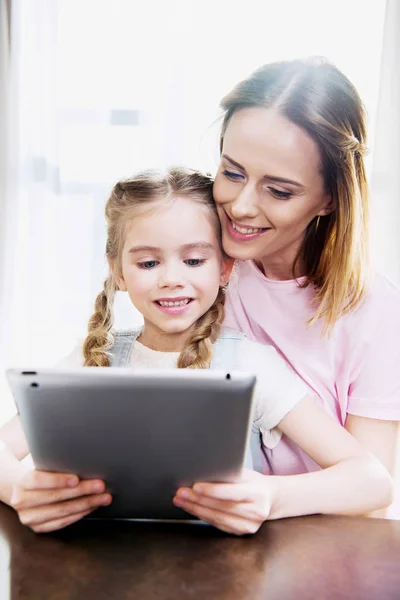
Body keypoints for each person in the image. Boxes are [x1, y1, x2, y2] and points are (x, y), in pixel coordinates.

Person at [0, 167, 393, 534]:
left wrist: (272, 496)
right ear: (119, 271)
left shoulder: (250, 364)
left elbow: (372, 482)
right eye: (149, 262)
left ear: (224, 269)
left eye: (193, 260)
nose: (172, 279)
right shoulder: (94, 359)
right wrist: (19, 489)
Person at [172, 57, 400, 528]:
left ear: (330, 199)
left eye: (278, 191)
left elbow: (375, 497)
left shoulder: (374, 312)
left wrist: (267, 497)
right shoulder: (201, 271)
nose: (241, 205)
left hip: (322, 550)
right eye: (232, 172)